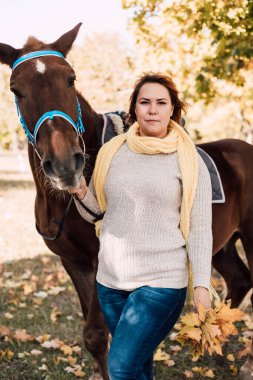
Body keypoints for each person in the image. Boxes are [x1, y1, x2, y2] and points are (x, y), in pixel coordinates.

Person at [68, 72, 212, 380]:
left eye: (161, 103)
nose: (152, 110)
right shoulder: (112, 151)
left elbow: (200, 227)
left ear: (173, 109)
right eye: (144, 102)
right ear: (134, 108)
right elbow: (98, 214)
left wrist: (201, 284)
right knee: (138, 365)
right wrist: (81, 191)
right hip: (110, 282)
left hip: (161, 282)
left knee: (119, 368)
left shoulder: (189, 159)